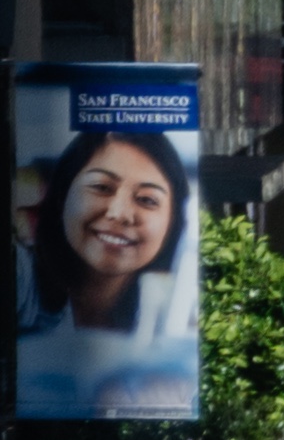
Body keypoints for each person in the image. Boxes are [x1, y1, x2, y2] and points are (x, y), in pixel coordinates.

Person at [15, 118, 198, 421]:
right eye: (101, 187)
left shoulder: (169, 326)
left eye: (147, 200)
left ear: (172, 223)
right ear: (62, 194)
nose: (119, 213)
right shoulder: (21, 278)